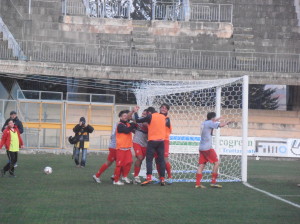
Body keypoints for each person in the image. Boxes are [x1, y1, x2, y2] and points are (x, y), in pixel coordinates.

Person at [133, 106, 167, 186]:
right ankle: (162, 179)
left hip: (152, 141)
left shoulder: (150, 116)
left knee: (149, 160)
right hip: (161, 141)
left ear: (149, 112)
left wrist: (135, 112)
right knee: (161, 160)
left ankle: (149, 178)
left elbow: (138, 120)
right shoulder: (163, 116)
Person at [195, 112, 230, 189]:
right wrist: (226, 122)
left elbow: (211, 121)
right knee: (216, 163)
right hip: (208, 148)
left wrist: (218, 118)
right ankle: (213, 182)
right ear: (213, 118)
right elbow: (220, 125)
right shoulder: (210, 123)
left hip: (201, 147)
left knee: (201, 165)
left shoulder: (204, 122)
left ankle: (197, 184)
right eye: (215, 118)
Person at [113, 110, 136, 186]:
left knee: (129, 162)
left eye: (127, 115)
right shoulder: (120, 125)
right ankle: (116, 181)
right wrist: (133, 124)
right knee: (119, 165)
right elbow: (126, 131)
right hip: (121, 148)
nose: (125, 117)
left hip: (127, 148)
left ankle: (124, 176)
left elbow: (134, 129)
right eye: (124, 116)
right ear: (120, 117)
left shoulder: (128, 124)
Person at [154, 103, 172, 182]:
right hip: (156, 140)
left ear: (167, 110)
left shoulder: (167, 118)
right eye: (162, 107)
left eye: (165, 108)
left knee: (165, 159)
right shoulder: (157, 116)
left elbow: (163, 124)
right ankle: (160, 177)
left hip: (164, 140)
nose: (163, 109)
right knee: (157, 159)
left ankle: (170, 177)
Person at [132, 109, 148, 184]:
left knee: (141, 160)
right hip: (137, 142)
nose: (143, 115)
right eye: (142, 114)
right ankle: (136, 176)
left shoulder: (149, 123)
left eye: (145, 114)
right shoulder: (139, 120)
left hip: (145, 144)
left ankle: (136, 175)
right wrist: (134, 111)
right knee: (140, 157)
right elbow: (132, 121)